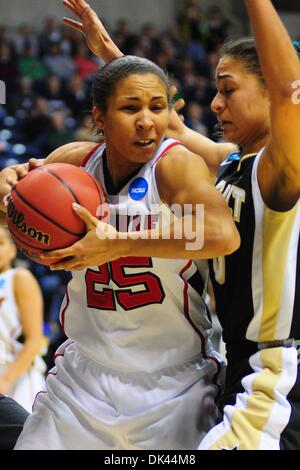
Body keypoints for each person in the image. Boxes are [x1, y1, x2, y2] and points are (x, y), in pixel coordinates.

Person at [56, 0, 300, 450]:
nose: (215, 102)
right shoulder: (231, 163)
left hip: (277, 371)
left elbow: (289, 91)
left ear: (270, 95)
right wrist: (111, 52)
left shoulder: (279, 169)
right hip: (237, 368)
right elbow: (161, 123)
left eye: (228, 89)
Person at [0, 39, 240, 450]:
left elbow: (221, 234)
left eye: (157, 107)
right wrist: (5, 187)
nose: (147, 121)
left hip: (173, 381)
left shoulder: (174, 165)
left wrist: (119, 244)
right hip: (84, 376)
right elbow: (19, 216)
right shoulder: (72, 162)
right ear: (99, 117)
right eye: (131, 109)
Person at [0, 228, 46, 413]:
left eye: (0, 244)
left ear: (12, 249)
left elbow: (34, 340)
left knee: (27, 440)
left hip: (18, 375)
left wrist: (6, 379)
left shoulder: (19, 277)